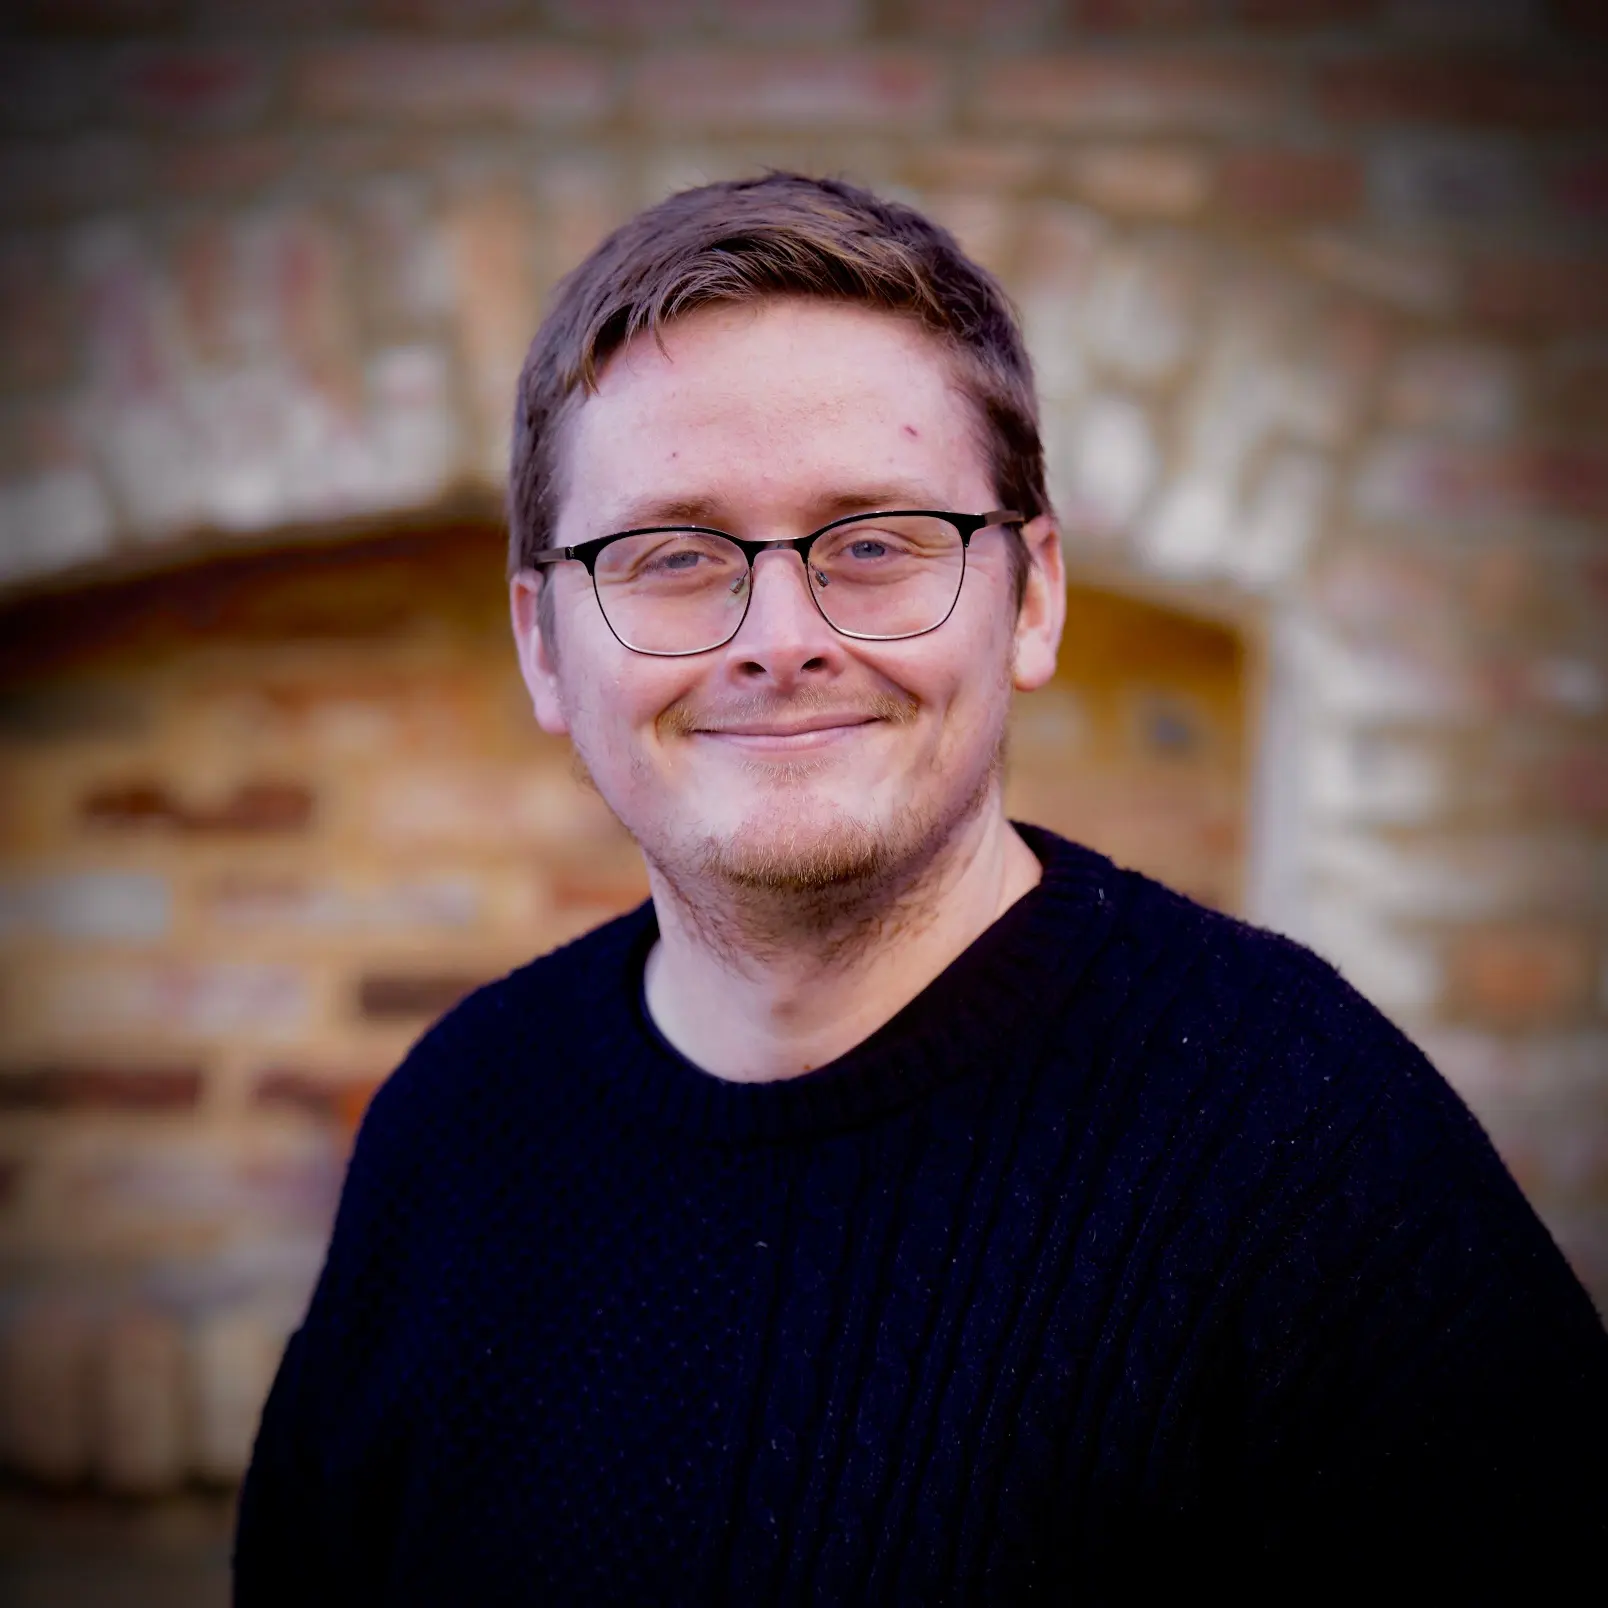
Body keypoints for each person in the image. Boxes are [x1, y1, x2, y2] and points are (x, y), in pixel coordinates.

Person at [235, 174, 1607, 1605]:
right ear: (542, 644)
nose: (779, 639)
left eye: (876, 544)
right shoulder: (457, 1128)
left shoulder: (1301, 1142)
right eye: (672, 556)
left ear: (1033, 599)